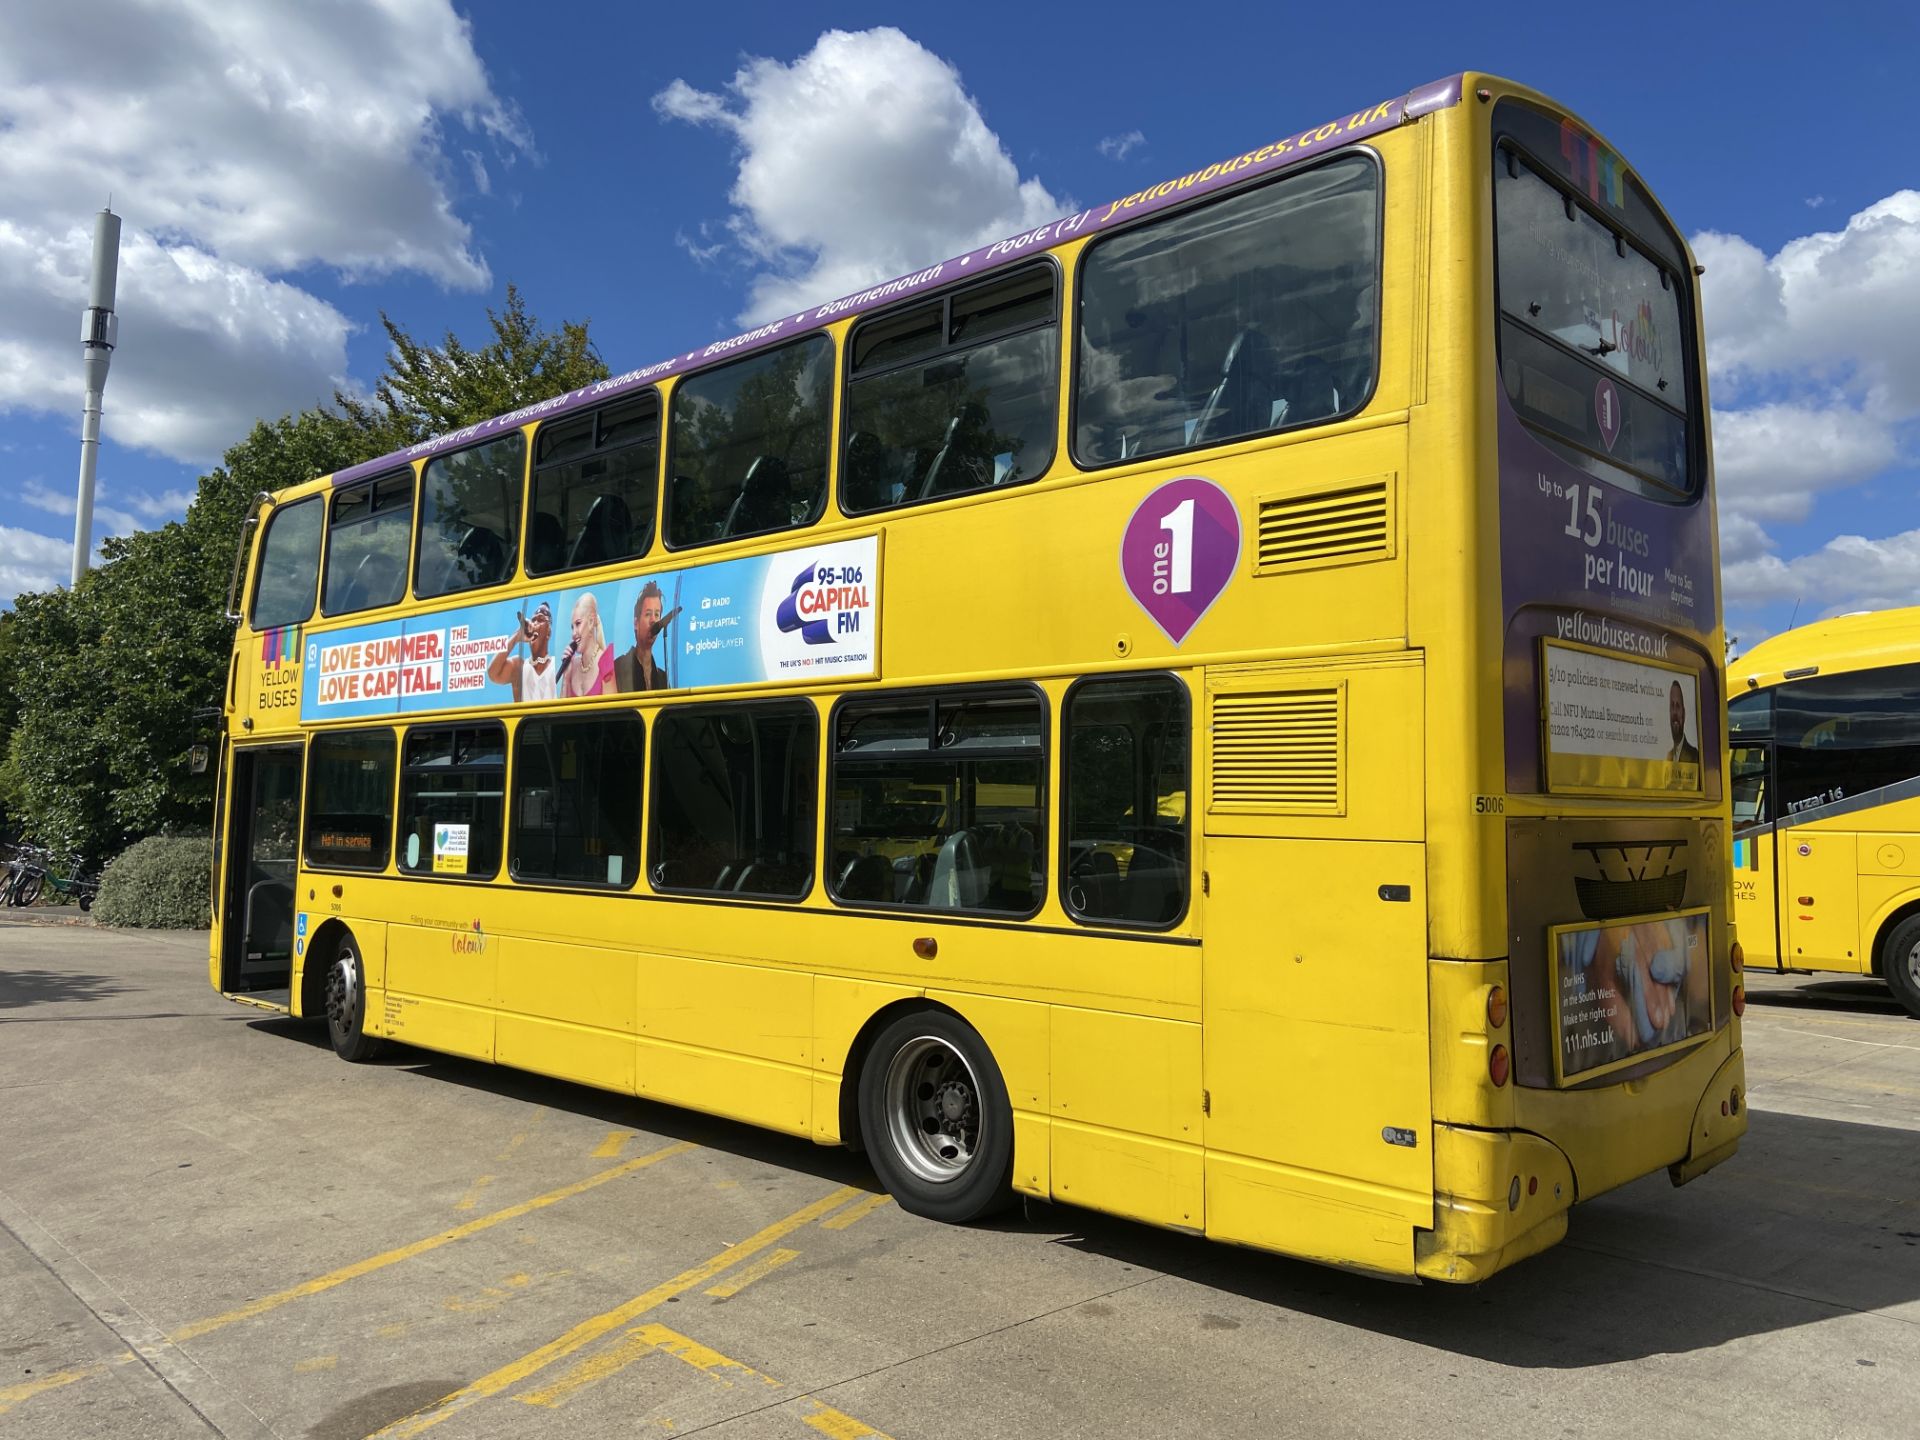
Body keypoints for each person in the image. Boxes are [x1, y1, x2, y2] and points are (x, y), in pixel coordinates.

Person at [486, 600, 559, 703]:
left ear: (548, 632)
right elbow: (493, 673)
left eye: (540, 620)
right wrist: (517, 636)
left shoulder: (557, 665)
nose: (534, 624)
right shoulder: (519, 667)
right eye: (533, 620)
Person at [614, 581, 676, 692]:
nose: (653, 620)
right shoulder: (618, 667)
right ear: (636, 623)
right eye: (648, 614)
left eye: (657, 614)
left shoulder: (663, 678)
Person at [561, 592, 613, 697]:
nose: (573, 633)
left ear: (590, 622)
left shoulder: (606, 663)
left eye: (578, 624)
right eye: (572, 627)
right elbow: (560, 712)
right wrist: (566, 678)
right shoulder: (572, 665)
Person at [1667, 680, 1701, 767]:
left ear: (1684, 714)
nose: (1674, 712)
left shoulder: (1694, 755)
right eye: (1672, 706)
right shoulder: (1668, 757)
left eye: (1678, 706)